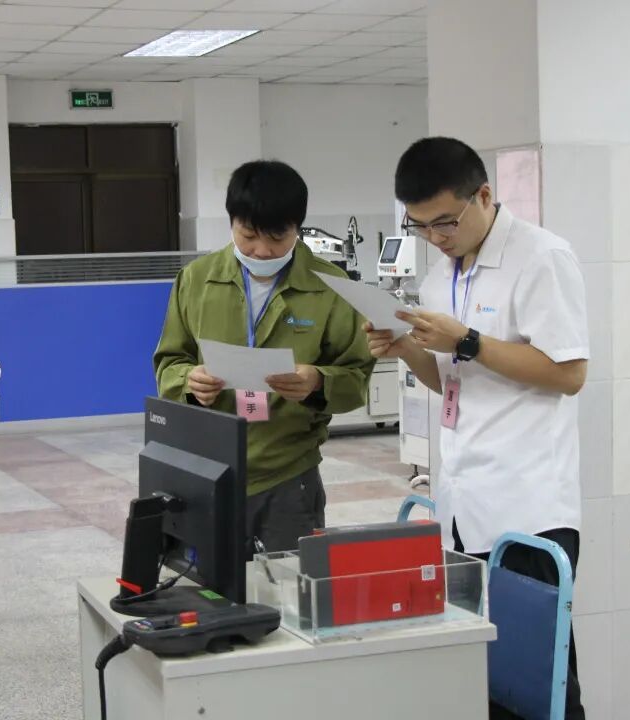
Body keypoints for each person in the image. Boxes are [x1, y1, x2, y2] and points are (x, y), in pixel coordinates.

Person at [365, 137, 589, 719]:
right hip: (464, 505)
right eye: (419, 226)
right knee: (482, 678)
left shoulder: (541, 258)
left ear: (484, 196)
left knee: (539, 684)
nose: (435, 237)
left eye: (444, 221)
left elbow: (568, 373)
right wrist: (404, 348)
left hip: (528, 507)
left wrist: (467, 340)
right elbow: (451, 381)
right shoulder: (440, 279)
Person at [154, 160, 375, 553]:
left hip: (288, 474)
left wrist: (318, 382)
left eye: (277, 237)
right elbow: (169, 362)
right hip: (209, 469)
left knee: (288, 585)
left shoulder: (331, 287)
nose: (261, 250)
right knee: (212, 585)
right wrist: (188, 381)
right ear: (232, 222)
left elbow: (357, 377)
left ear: (298, 228)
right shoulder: (197, 280)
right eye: (249, 235)